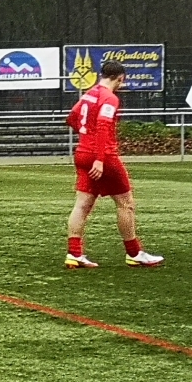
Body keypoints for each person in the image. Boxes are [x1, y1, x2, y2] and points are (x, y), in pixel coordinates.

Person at [65, 58, 163, 268]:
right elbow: (102, 126)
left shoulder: (88, 94)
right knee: (125, 203)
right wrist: (100, 159)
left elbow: (72, 117)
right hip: (103, 156)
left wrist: (85, 135)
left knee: (82, 204)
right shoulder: (109, 98)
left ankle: (74, 253)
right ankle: (134, 253)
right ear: (120, 78)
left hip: (82, 153)